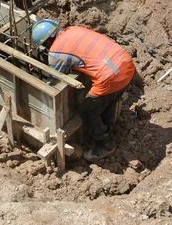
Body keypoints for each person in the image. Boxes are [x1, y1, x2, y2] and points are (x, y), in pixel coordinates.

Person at [31, 19, 136, 161]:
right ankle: (108, 130)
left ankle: (106, 145)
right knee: (108, 103)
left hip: (110, 76)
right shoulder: (74, 29)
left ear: (47, 41)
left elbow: (53, 80)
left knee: (88, 109)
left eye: (45, 46)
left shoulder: (56, 51)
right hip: (126, 64)